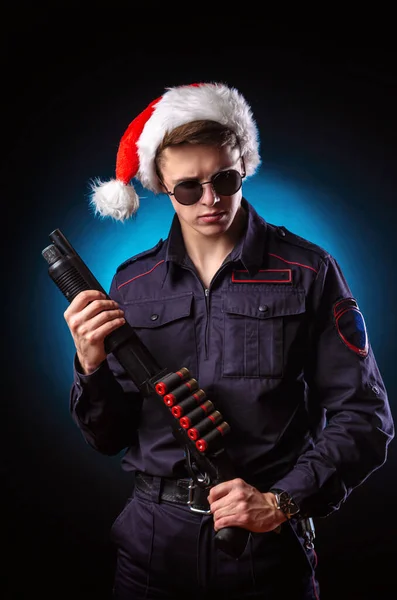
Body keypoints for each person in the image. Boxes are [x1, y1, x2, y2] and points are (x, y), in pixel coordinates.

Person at [64, 82, 394, 599]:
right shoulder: (131, 284)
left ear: (244, 165)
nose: (211, 200)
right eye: (189, 189)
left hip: (267, 553)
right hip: (150, 551)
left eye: (225, 179)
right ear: (162, 188)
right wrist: (90, 366)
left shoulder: (308, 270)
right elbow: (109, 438)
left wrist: (282, 502)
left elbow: (365, 418)